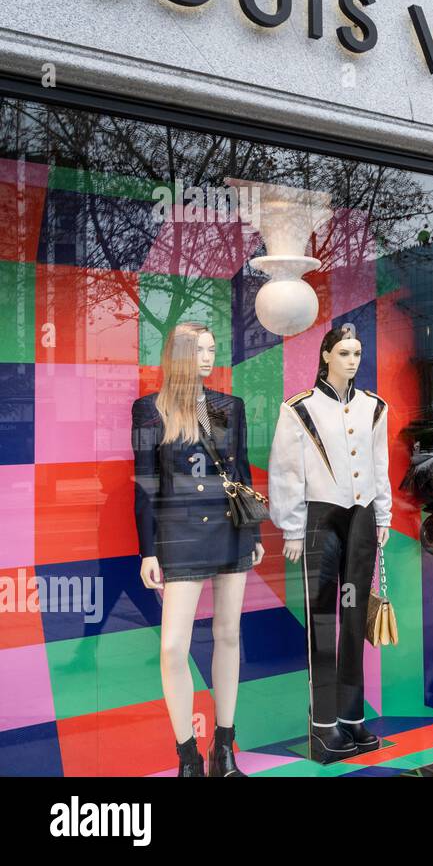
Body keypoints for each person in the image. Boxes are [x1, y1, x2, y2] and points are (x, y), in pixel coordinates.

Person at [132, 321, 264, 777]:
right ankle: (187, 756)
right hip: (180, 535)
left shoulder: (229, 406)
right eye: (201, 350)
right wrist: (147, 550)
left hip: (230, 529)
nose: (210, 358)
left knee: (228, 635)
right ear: (182, 354)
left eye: (213, 349)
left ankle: (223, 750)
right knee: (173, 648)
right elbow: (146, 484)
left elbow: (241, 472)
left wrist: (256, 533)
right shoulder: (150, 410)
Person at [268, 327, 392, 763]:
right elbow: (285, 470)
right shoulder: (299, 409)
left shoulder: (375, 407)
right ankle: (323, 724)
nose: (353, 359)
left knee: (354, 617)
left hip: (361, 519)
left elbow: (380, 464)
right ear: (325, 355)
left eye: (358, 352)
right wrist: (292, 528)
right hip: (320, 519)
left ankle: (352, 715)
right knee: (322, 621)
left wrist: (383, 515)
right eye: (344, 352)